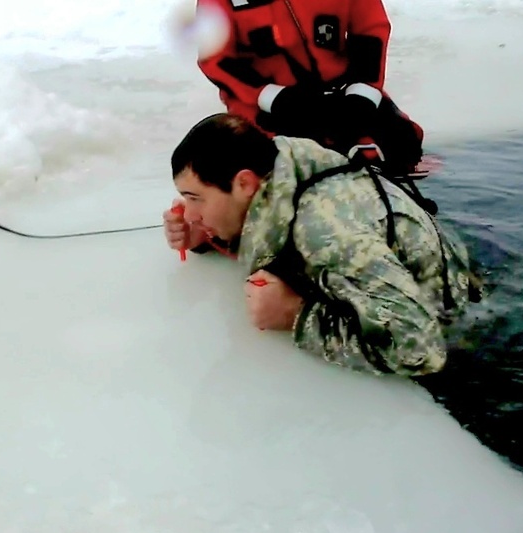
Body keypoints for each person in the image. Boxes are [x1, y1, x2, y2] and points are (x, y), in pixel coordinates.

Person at [163, 113, 480, 378]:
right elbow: (270, 224)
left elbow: (421, 350)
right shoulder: (284, 173)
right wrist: (210, 236)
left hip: (462, 335)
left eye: (195, 199)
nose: (188, 213)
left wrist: (297, 316)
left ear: (243, 183)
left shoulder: (325, 232)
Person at [191, 0, 426, 179]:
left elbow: (370, 28)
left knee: (403, 142)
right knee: (269, 168)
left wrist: (363, 93)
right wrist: (271, 97)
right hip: (265, 103)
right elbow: (215, 57)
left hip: (341, 92)